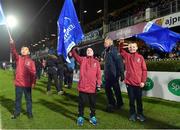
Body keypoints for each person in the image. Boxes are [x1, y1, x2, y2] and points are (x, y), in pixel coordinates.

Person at [71, 47, 101, 126]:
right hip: (83, 87)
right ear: (86, 52)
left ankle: (92, 117)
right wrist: (74, 49)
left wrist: (98, 84)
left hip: (92, 87)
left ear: (93, 52)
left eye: (90, 50)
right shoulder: (82, 59)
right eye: (87, 50)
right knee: (82, 103)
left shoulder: (96, 62)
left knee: (93, 104)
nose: (89, 51)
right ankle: (80, 117)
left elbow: (98, 75)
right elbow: (75, 55)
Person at [119, 40, 147, 122]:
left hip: (138, 84)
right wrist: (121, 43)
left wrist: (143, 81)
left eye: (133, 47)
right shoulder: (127, 56)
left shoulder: (140, 57)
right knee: (131, 100)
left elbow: (144, 70)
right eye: (130, 47)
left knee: (139, 100)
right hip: (129, 83)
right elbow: (120, 50)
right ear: (128, 48)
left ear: (137, 48)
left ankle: (140, 114)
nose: (132, 48)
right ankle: (132, 114)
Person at [10, 39, 36, 119]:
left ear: (28, 52)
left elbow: (33, 73)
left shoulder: (31, 62)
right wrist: (12, 44)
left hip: (27, 85)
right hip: (18, 84)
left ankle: (30, 113)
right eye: (22, 49)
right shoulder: (18, 59)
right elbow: (14, 52)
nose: (23, 50)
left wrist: (33, 83)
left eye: (25, 49)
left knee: (28, 100)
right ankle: (17, 113)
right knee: (18, 100)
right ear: (21, 51)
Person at [103, 37, 125, 112]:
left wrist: (122, 74)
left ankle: (119, 103)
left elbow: (120, 63)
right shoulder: (106, 51)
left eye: (105, 42)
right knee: (107, 89)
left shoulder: (114, 51)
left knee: (116, 90)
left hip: (114, 75)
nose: (104, 43)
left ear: (110, 43)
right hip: (108, 75)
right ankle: (112, 103)